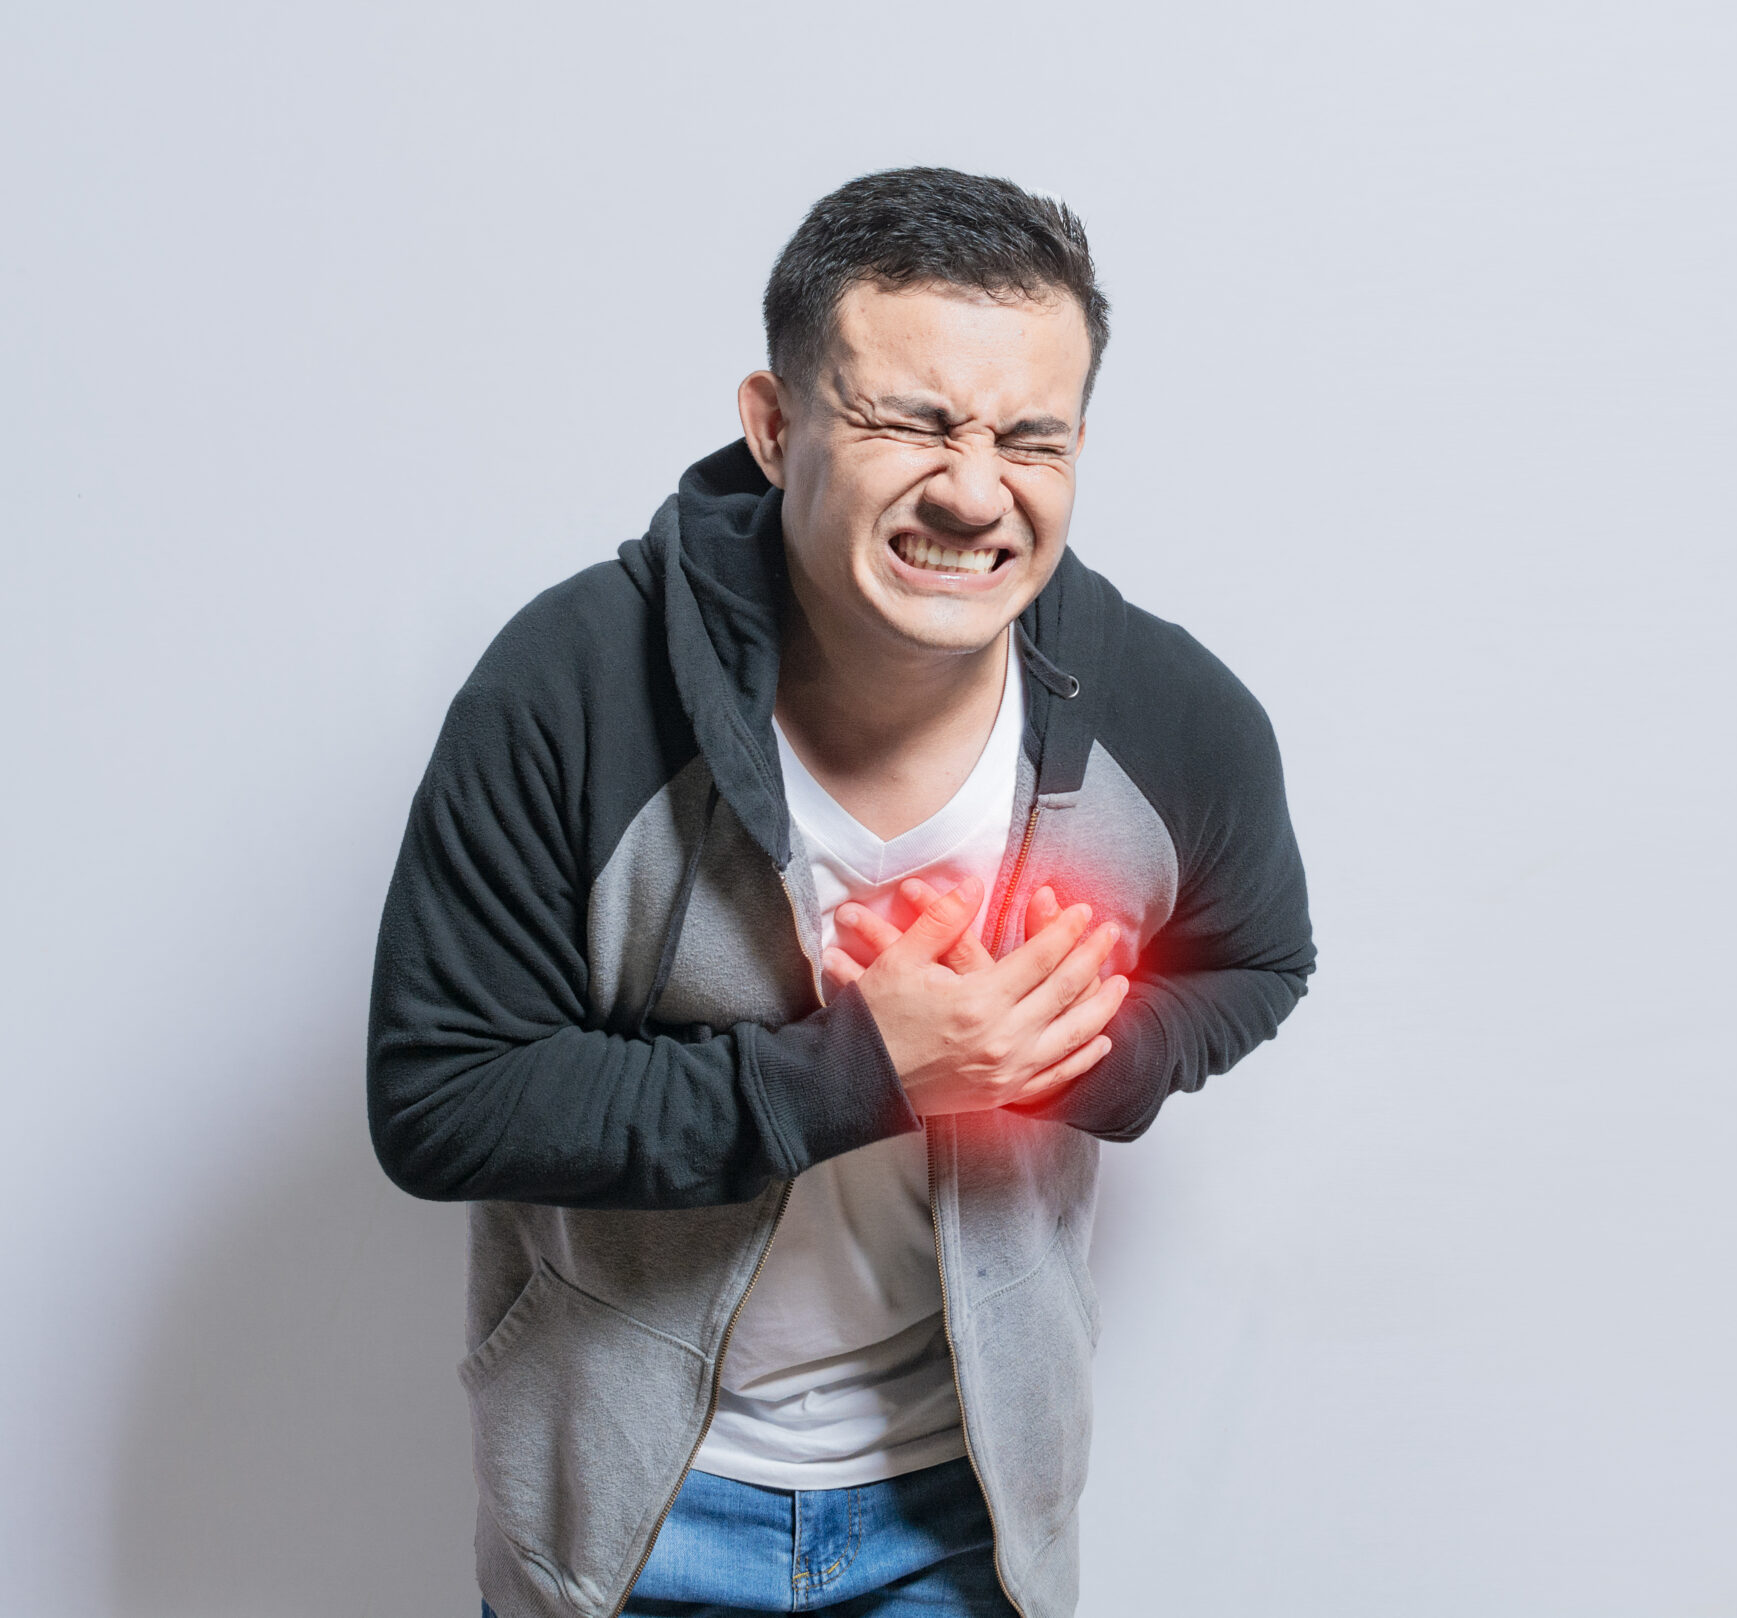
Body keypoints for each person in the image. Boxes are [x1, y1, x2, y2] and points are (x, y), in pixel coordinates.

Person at [367, 167, 1315, 1618]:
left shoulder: (1170, 712)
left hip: (966, 1521)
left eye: (1031, 439)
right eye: (912, 420)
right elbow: (442, 1094)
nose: (974, 489)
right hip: (629, 1527)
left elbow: (1259, 960)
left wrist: (1087, 1055)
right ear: (775, 424)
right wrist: (864, 1068)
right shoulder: (569, 687)